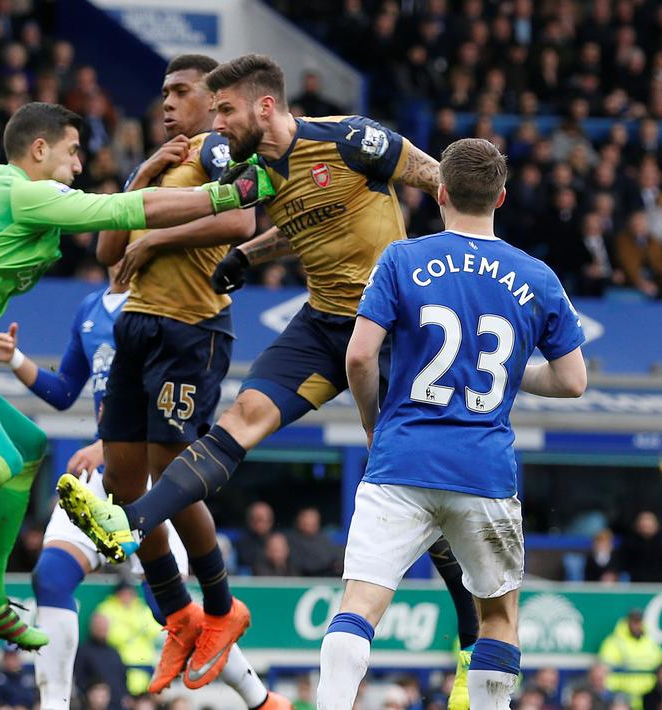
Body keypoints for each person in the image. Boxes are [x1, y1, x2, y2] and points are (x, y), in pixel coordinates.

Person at [57, 53, 482, 697]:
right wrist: (245, 254)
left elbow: (440, 179)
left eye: (224, 110)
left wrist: (454, 268)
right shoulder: (257, 171)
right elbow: (266, 214)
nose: (216, 123)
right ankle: (135, 521)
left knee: (419, 486)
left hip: (397, 330)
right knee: (241, 419)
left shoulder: (351, 138)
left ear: (263, 106)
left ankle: (472, 638)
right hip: (324, 326)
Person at [0, 101, 271, 648]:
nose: (79, 167)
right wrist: (225, 194)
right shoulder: (22, 191)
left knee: (27, 445)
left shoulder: (15, 198)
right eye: (72, 153)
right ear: (39, 150)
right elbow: (119, 211)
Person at [313, 138, 587, 710]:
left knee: (358, 605)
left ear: (439, 192)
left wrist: (374, 425)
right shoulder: (535, 276)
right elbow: (572, 381)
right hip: (483, 470)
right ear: (502, 197)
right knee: (498, 616)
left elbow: (360, 357)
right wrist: (513, 376)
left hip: (401, 460)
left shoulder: (402, 259)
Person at [92, 54, 281, 696]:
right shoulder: (167, 158)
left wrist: (156, 238)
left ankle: (224, 608)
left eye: (181, 91)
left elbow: (240, 222)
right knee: (121, 483)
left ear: (213, 97)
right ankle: (178, 614)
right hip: (138, 325)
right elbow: (106, 249)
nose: (167, 102)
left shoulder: (220, 150)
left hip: (190, 329)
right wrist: (140, 177)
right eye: (164, 92)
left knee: (174, 470)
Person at [0, 276, 271, 708]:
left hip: (148, 478)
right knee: (50, 577)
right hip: (98, 478)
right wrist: (15, 360)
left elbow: (165, 402)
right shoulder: (90, 307)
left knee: (168, 608)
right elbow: (65, 391)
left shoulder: (163, 300)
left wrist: (106, 443)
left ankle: (259, 699)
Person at [599, 609, 662, 710]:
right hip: (621, 695)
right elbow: (605, 671)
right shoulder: (614, 642)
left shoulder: (650, 642)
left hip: (648, 696)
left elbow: (659, 667)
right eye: (634, 621)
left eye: (639, 621)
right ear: (628, 622)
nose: (637, 625)